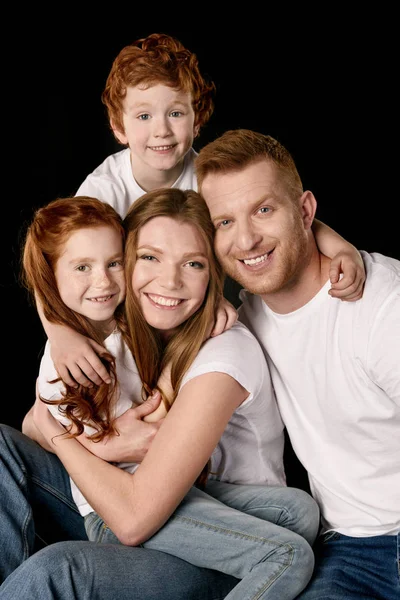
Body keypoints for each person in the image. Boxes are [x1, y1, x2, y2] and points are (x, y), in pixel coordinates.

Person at [3, 190, 322, 600]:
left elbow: (139, 461)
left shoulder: (205, 347)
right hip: (120, 505)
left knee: (300, 511)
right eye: (150, 258)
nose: (169, 281)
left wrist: (212, 305)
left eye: (193, 264)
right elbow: (38, 423)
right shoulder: (94, 344)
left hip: (157, 501)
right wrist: (88, 439)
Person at [195, 128, 400, 600]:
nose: (246, 238)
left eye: (263, 210)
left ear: (305, 211)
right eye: (224, 222)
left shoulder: (380, 305)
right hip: (347, 550)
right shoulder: (242, 324)